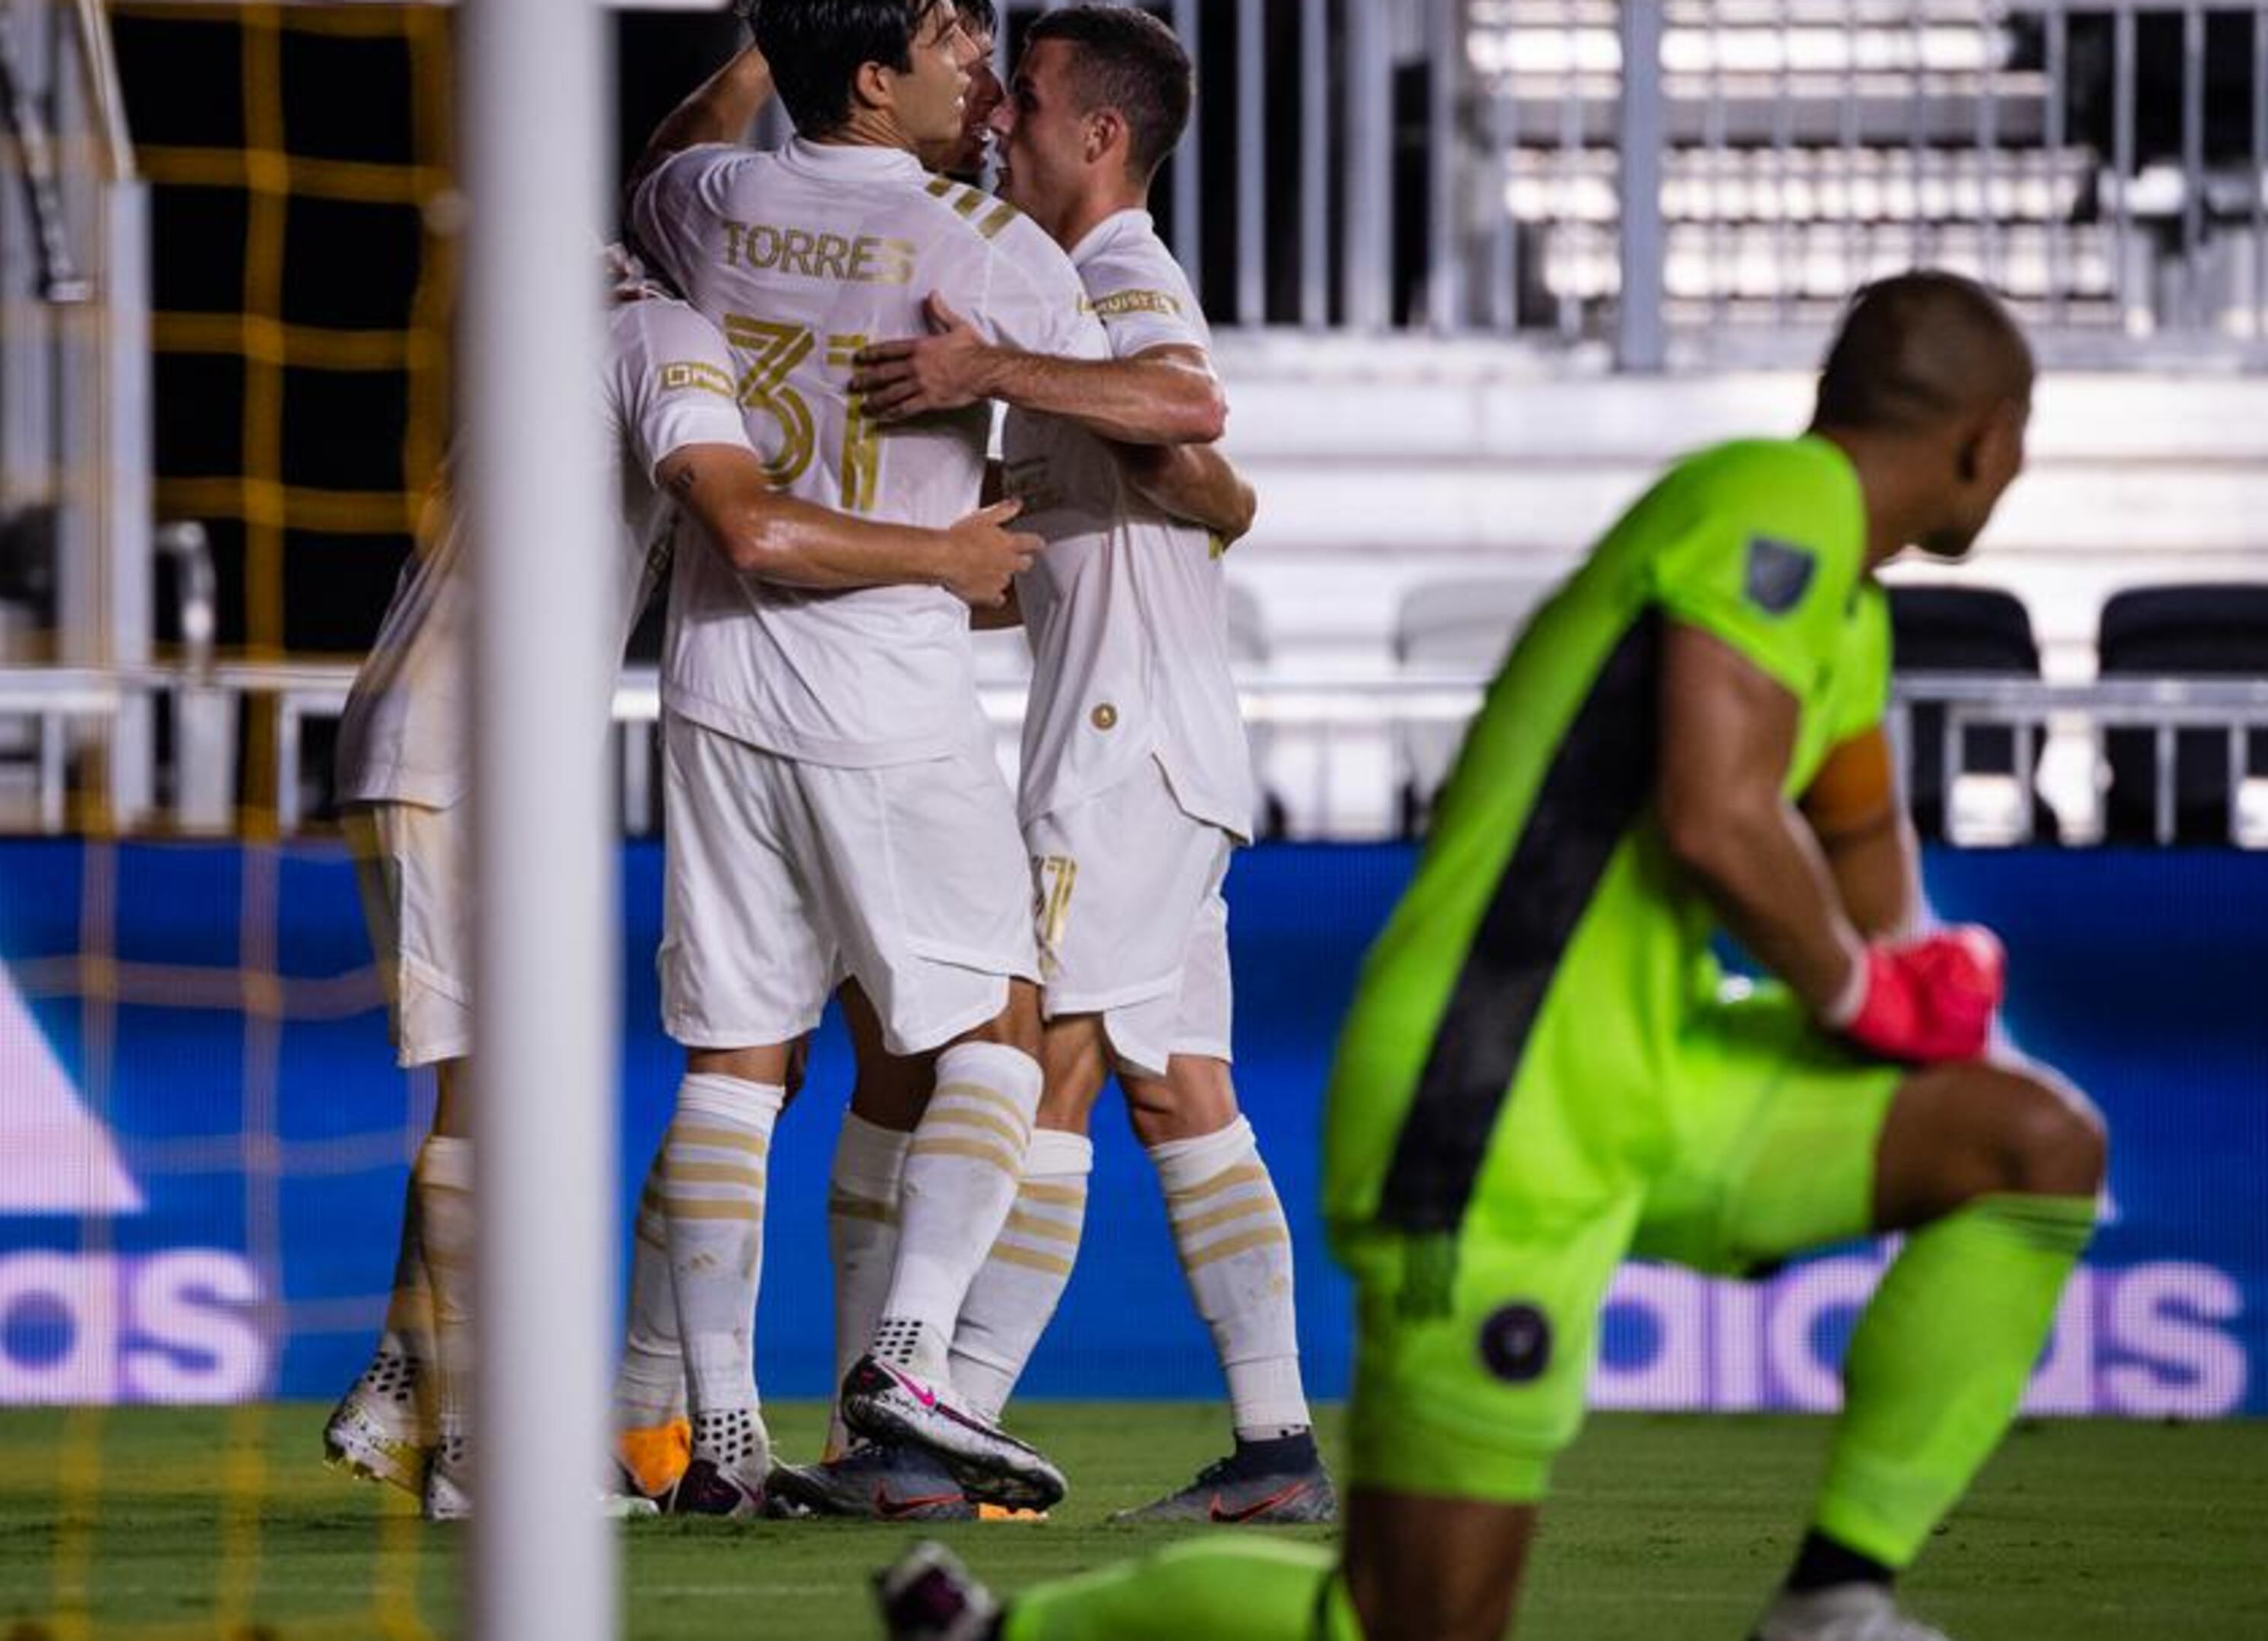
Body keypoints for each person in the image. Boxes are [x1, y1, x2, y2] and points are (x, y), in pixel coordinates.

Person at [878, 270, 2107, 1641]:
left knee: (2029, 1141)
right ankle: (1011, 1634)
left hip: (1657, 1083)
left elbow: (1868, 854)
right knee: (1415, 1622)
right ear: (1989, 437)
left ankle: (1834, 1598)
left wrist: (1935, 988)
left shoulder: (1846, 613)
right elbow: (1719, 816)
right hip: (1491, 1101)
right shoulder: (1781, 502)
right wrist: (1873, 991)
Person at [624, 0, 1227, 1516]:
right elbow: (1185, 425)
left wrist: (769, 45)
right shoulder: (990, 248)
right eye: (956, 47)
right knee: (1002, 1037)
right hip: (884, 684)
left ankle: (723, 1447)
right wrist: (993, 385)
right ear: (880, 76)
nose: (981, 77)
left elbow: (666, 154)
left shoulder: (715, 204)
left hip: (710, 684)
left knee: (740, 1058)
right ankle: (904, 1363)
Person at [318, 267, 1039, 1520]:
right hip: (463, 754)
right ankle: (482, 1455)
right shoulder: (661, 336)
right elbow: (751, 530)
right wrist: (944, 552)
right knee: (492, 1108)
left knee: (483, 1088)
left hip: (425, 736)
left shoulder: (539, 371)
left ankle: (402, 1387)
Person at [780, 5, 1332, 1527]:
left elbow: (1185, 407)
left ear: (1100, 134)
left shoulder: (1112, 277)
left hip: (1118, 747)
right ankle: (1278, 1451)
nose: (1003, 120)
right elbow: (1156, 491)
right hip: (1161, 742)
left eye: (1026, 99)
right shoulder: (1078, 299)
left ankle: (936, 1428)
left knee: (1035, 1068)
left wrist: (980, 369)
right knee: (1186, 1097)